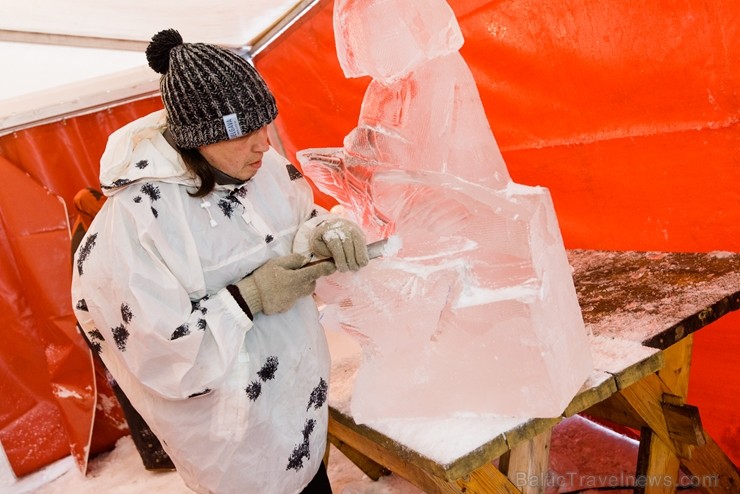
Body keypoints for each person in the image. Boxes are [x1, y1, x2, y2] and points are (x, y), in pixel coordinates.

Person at [71, 28, 369, 494]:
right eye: (246, 133)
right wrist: (248, 297)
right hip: (233, 444)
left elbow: (297, 218)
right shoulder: (139, 221)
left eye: (266, 125)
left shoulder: (259, 167)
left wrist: (326, 228)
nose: (264, 145)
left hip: (299, 410)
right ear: (198, 139)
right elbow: (159, 352)